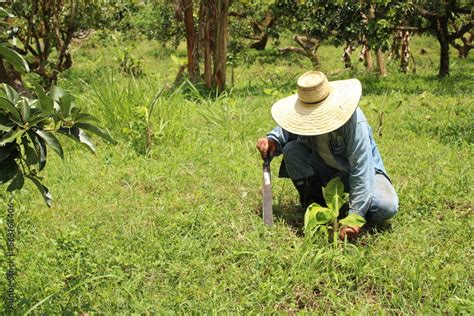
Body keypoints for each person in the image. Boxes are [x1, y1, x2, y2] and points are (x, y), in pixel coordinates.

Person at [256, 71, 398, 240]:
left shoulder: (353, 120)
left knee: (385, 206)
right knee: (292, 150)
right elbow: (283, 132)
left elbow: (361, 168)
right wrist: (272, 141)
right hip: (326, 169)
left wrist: (355, 216)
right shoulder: (302, 113)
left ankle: (350, 209)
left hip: (362, 171)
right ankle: (315, 206)